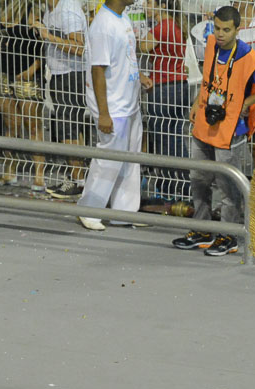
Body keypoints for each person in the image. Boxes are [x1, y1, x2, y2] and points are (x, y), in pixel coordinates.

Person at [172, 5, 255, 256]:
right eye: (217, 28)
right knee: (199, 179)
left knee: (227, 187)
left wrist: (247, 103)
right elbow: (210, 79)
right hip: (204, 126)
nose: (220, 34)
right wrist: (197, 100)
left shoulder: (248, 56)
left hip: (230, 131)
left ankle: (228, 236)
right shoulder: (211, 45)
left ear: (238, 29)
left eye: (226, 30)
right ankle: (201, 230)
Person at [75, 0, 152, 232]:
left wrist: (139, 77)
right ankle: (88, 209)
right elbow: (97, 70)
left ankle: (124, 212)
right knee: (108, 159)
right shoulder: (103, 25)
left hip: (129, 103)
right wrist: (104, 113)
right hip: (113, 107)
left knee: (130, 160)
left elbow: (125, 57)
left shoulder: (122, 18)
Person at [35, 0, 87, 199]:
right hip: (60, 73)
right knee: (70, 127)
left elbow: (79, 47)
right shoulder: (51, 10)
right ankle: (78, 177)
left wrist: (47, 35)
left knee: (68, 128)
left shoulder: (68, 9)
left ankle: (78, 181)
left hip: (72, 74)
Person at [140, 0, 189, 200]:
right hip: (179, 86)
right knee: (174, 137)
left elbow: (143, 46)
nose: (145, 7)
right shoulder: (177, 25)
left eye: (149, 2)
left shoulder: (162, 28)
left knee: (166, 141)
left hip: (164, 88)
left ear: (161, 5)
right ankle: (176, 185)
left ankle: (177, 186)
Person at [0, 0, 46, 192]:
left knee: (33, 125)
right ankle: (10, 171)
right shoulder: (0, 10)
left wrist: (33, 69)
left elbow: (44, 44)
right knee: (11, 125)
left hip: (27, 75)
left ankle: (39, 175)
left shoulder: (32, 9)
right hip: (2, 73)